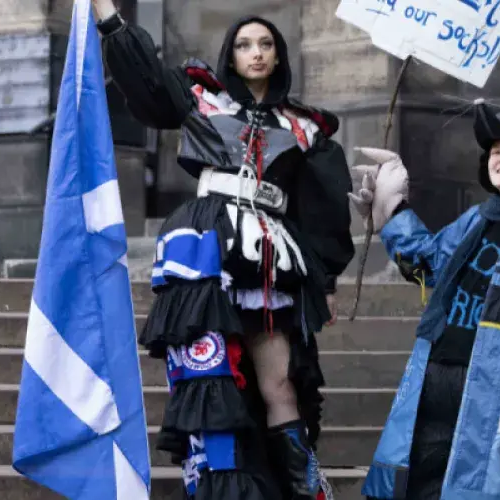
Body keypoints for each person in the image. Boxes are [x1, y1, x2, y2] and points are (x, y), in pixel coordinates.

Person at [91, 2, 355, 498]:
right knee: (210, 376)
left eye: (265, 45)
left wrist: (327, 280)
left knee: (280, 385)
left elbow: (320, 212)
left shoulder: (305, 129)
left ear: (278, 57)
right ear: (230, 56)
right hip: (205, 250)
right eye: (244, 45)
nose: (255, 54)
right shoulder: (199, 101)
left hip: (271, 260)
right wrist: (108, 15)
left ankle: (303, 490)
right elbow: (146, 79)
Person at [349, 102, 500, 500]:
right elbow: (428, 267)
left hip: (486, 385)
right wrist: (393, 211)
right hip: (432, 374)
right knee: (417, 487)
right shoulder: (475, 219)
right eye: (496, 151)